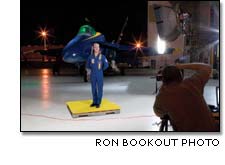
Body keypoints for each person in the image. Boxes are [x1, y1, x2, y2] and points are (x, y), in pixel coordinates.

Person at [153, 63, 217, 131]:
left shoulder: (162, 96)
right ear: (181, 76)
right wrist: (180, 66)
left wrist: (163, 86)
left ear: (163, 79)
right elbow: (207, 67)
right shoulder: (193, 83)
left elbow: (158, 112)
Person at [86, 42, 109, 108]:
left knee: (100, 88)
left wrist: (101, 70)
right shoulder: (90, 57)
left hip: (99, 74)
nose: (96, 48)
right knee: (93, 89)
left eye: (97, 47)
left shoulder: (102, 56)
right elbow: (87, 66)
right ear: (93, 48)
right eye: (95, 47)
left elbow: (106, 65)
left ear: (99, 48)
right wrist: (88, 73)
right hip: (92, 74)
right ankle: (94, 101)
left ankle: (98, 102)